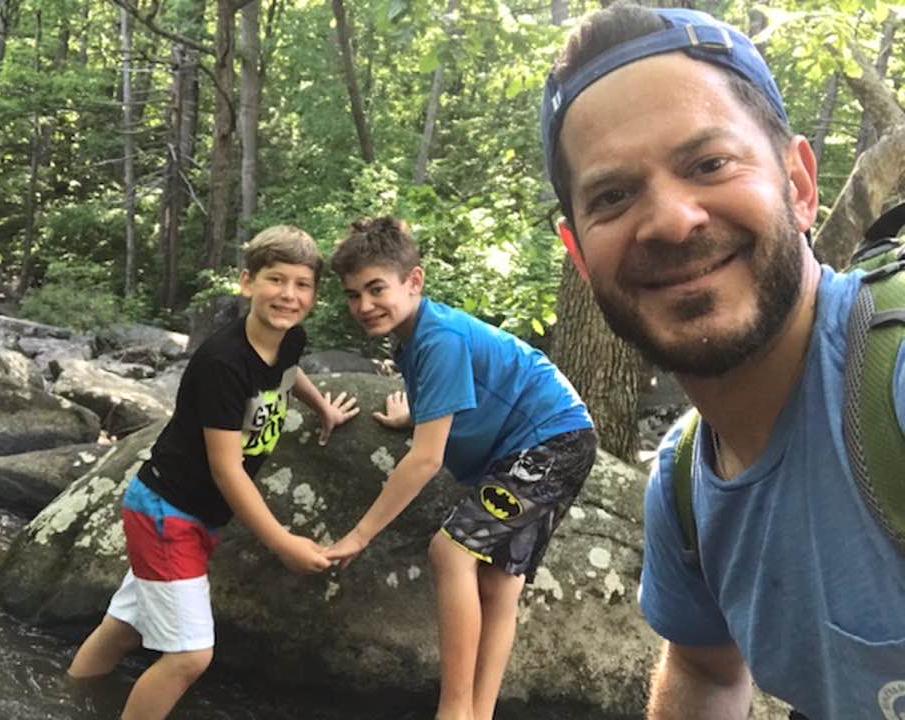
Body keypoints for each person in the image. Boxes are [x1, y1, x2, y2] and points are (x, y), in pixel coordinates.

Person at [539, 3, 905, 718]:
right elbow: (704, 672)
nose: (673, 220)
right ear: (580, 255)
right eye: (613, 196)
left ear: (799, 185)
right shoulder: (683, 488)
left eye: (708, 163)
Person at [67, 225, 359, 720]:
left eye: (302, 284)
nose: (288, 295)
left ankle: (68, 698)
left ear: (313, 294)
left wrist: (319, 408)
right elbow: (227, 471)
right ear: (247, 283)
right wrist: (282, 542)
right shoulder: (223, 363)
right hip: (169, 513)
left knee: (124, 626)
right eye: (275, 279)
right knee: (188, 657)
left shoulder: (290, 338)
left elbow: (288, 371)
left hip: (191, 515)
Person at [323, 216, 597, 720]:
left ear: (414, 281)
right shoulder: (412, 337)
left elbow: (427, 458)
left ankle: (453, 712)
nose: (363, 305)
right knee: (497, 584)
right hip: (548, 439)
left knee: (450, 554)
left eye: (376, 288)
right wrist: (417, 411)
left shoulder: (437, 337)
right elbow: (450, 396)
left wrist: (360, 535)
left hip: (550, 440)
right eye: (352, 294)